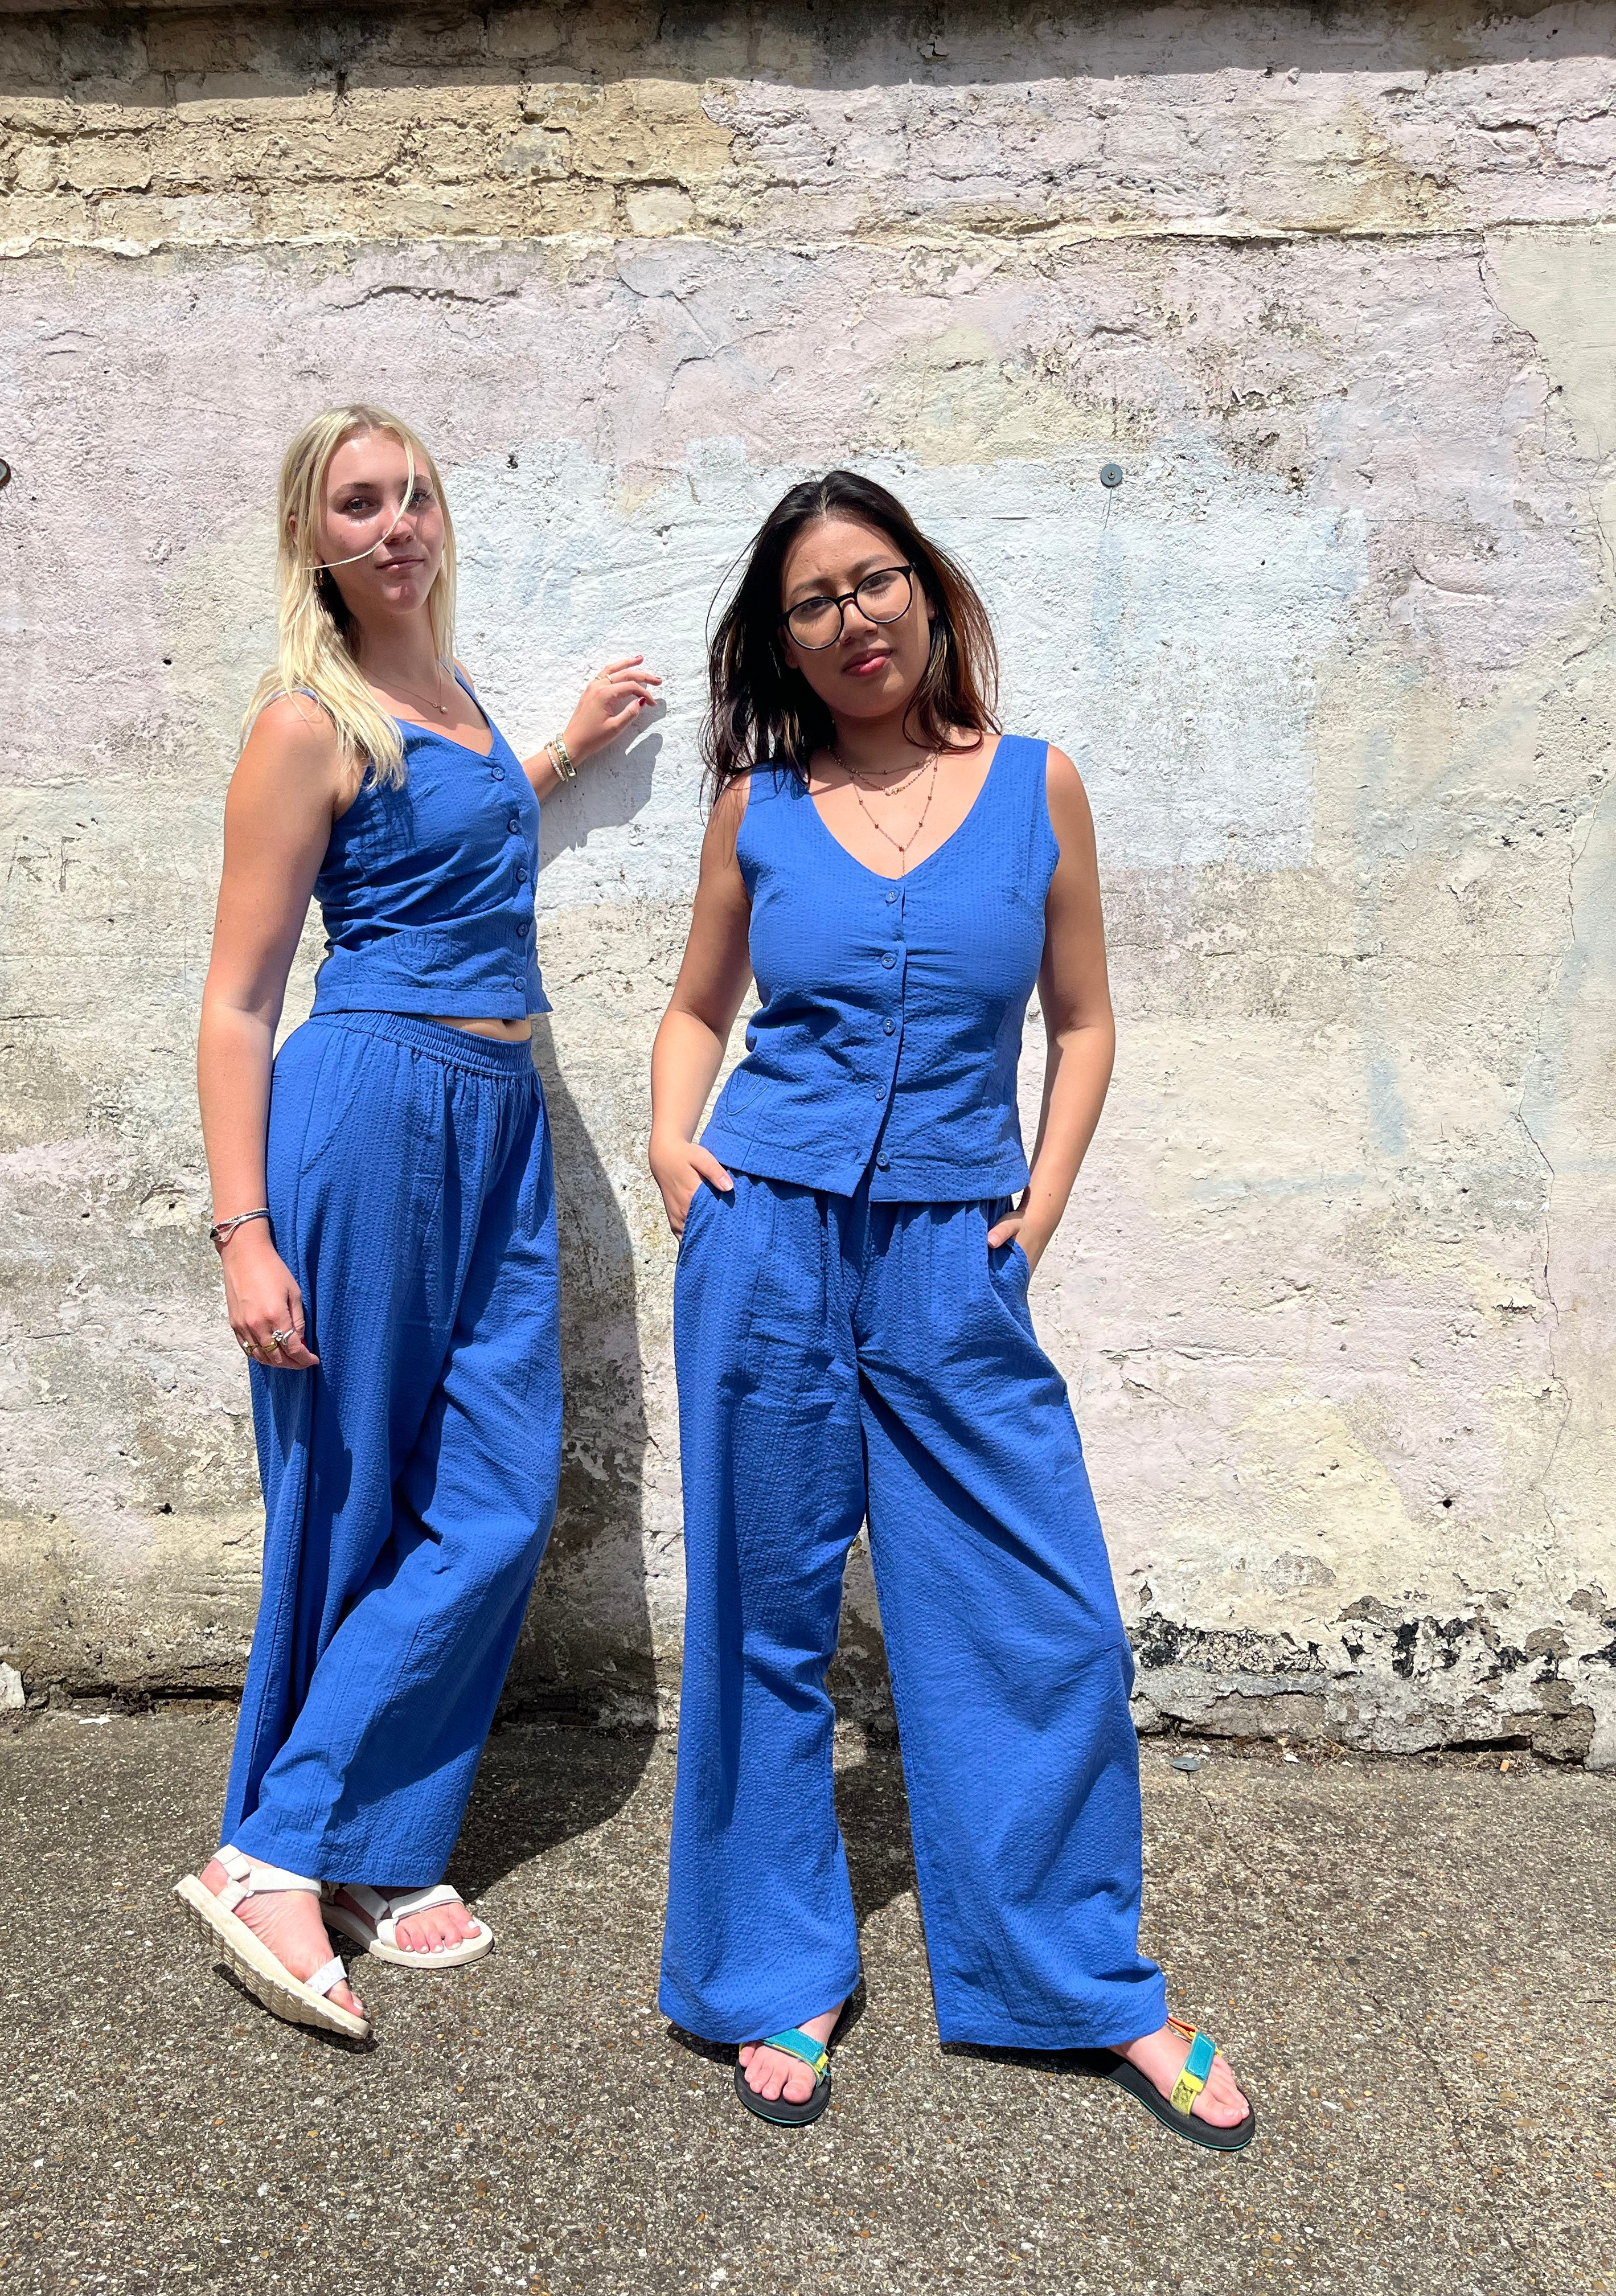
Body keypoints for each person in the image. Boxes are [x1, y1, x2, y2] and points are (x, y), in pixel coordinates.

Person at [647, 470, 1253, 2149]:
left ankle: (1079, 1979)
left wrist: (1037, 1210)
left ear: (930, 590)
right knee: (764, 1615)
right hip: (765, 1235)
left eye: (875, 581)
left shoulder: (1038, 786)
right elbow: (698, 1008)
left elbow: (1088, 1018)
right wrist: (675, 1158)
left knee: (1035, 1616)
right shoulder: (756, 804)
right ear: (784, 641)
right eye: (814, 602)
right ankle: (774, 1967)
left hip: (950, 1251)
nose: (853, 620)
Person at [175, 404, 659, 2037]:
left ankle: (350, 1836)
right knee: (357, 1490)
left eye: (416, 497)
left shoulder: (446, 702)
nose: (397, 524)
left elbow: (448, 851)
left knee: (497, 1489)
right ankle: (289, 1851)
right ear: (316, 537)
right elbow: (238, 1002)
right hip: (372, 1111)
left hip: (500, 1126)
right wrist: (243, 1230)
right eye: (359, 503)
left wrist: (562, 754)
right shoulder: (301, 720)